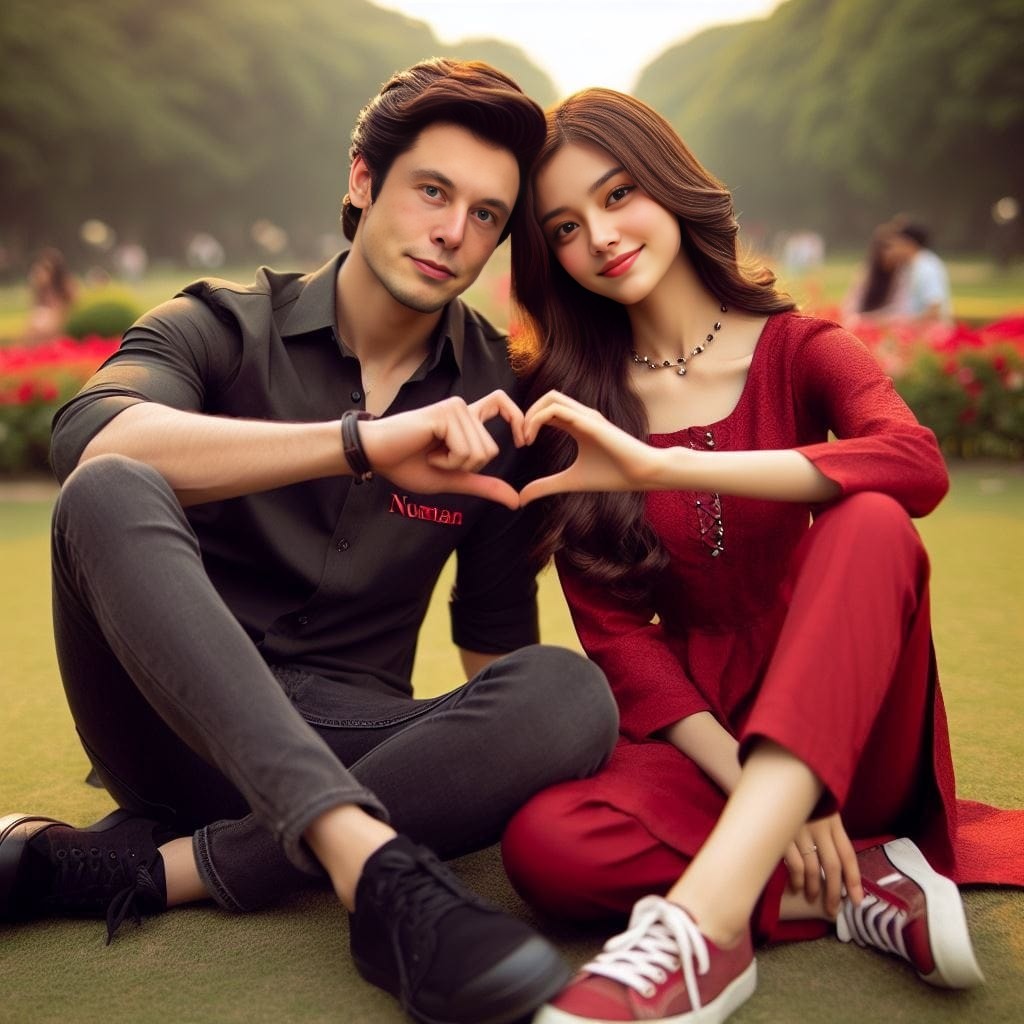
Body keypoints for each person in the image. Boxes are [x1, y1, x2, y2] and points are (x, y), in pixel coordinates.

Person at [0, 60, 619, 1024]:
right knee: (111, 485)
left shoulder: (500, 400)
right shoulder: (215, 324)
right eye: (432, 191)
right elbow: (91, 437)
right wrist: (361, 446)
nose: (455, 233)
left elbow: (496, 642)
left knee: (570, 691)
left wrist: (536, 753)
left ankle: (145, 869)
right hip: (165, 720)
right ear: (363, 181)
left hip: (353, 736)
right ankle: (375, 874)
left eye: (488, 215)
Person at [500, 88, 1021, 1024]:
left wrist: (656, 463)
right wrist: (769, 793)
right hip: (711, 737)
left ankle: (703, 931)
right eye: (567, 227)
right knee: (547, 845)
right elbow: (619, 643)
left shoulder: (802, 350)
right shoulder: (575, 404)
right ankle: (855, 883)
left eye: (620, 195)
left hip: (857, 713)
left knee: (870, 522)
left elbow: (913, 465)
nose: (603, 236)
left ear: (668, 185)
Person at [885, 220, 954, 325]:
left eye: (896, 244)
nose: (893, 249)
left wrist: (903, 323)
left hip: (930, 334)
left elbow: (934, 310)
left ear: (909, 243)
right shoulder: (908, 267)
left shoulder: (927, 267)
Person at [19, 246, 78, 345]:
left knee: (37, 326)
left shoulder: (65, 285)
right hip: (44, 320)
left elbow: (72, 306)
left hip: (60, 319)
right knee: (35, 325)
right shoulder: (42, 288)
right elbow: (35, 306)